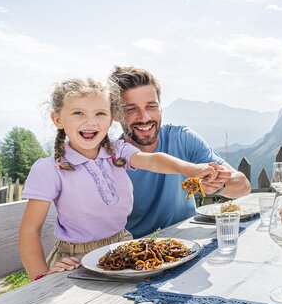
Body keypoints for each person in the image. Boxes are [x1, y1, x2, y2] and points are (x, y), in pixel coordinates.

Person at [19, 78, 221, 280]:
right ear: (58, 119)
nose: (91, 122)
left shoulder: (119, 152)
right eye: (78, 113)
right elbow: (29, 231)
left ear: (112, 118)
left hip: (121, 250)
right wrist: (41, 277)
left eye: (100, 113)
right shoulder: (49, 169)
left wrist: (191, 169)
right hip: (73, 261)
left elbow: (152, 161)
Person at [109, 66, 251, 238]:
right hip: (137, 253)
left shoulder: (183, 138)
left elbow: (243, 186)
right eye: (131, 109)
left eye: (151, 106)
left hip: (190, 245)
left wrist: (219, 185)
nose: (144, 117)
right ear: (116, 114)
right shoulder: (108, 158)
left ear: (161, 107)